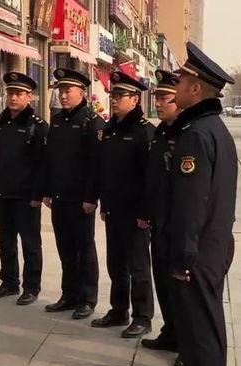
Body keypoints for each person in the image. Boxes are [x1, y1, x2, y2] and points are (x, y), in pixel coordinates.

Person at [160, 42, 237, 366]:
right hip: (211, 246)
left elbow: (192, 205)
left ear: (196, 89)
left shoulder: (196, 135)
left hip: (199, 252)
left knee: (204, 336)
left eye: (182, 81)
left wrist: (183, 258)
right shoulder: (211, 129)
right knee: (199, 333)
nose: (177, 87)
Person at [90, 71, 155, 338]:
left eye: (120, 96)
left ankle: (143, 317)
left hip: (136, 213)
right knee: (116, 264)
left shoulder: (145, 132)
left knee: (138, 266)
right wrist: (104, 204)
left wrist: (145, 213)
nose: (114, 100)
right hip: (114, 209)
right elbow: (104, 170)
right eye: (112, 95)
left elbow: (150, 178)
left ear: (135, 99)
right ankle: (119, 310)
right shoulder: (110, 130)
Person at [43, 69, 105, 320]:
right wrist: (47, 191)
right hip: (60, 196)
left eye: (68, 91)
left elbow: (96, 164)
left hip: (81, 200)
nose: (63, 95)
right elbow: (51, 159)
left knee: (85, 250)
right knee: (65, 249)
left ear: (82, 92)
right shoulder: (58, 120)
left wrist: (91, 197)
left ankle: (87, 299)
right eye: (60, 90)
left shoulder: (92, 122)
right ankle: (69, 294)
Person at [0, 72, 49, 305]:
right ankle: (9, 282)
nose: (13, 97)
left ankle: (31, 287)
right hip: (3, 193)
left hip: (26, 196)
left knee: (30, 244)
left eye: (19, 93)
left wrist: (38, 194)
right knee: (6, 241)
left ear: (29, 97)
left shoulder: (37, 125)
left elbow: (43, 164)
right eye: (10, 93)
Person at [140, 69, 181, 350]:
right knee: (163, 283)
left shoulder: (187, 134)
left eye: (164, 98)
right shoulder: (160, 132)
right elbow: (152, 177)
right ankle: (170, 333)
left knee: (181, 290)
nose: (158, 103)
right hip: (159, 222)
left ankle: (186, 345)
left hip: (177, 223)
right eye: (157, 98)